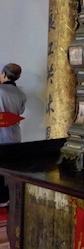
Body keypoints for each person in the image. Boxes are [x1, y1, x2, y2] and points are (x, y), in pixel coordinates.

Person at [0, 63, 26, 207]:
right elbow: (20, 112)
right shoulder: (21, 94)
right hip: (14, 135)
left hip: (1, 135)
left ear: (4, 74)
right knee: (10, 170)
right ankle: (9, 199)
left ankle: (2, 199)